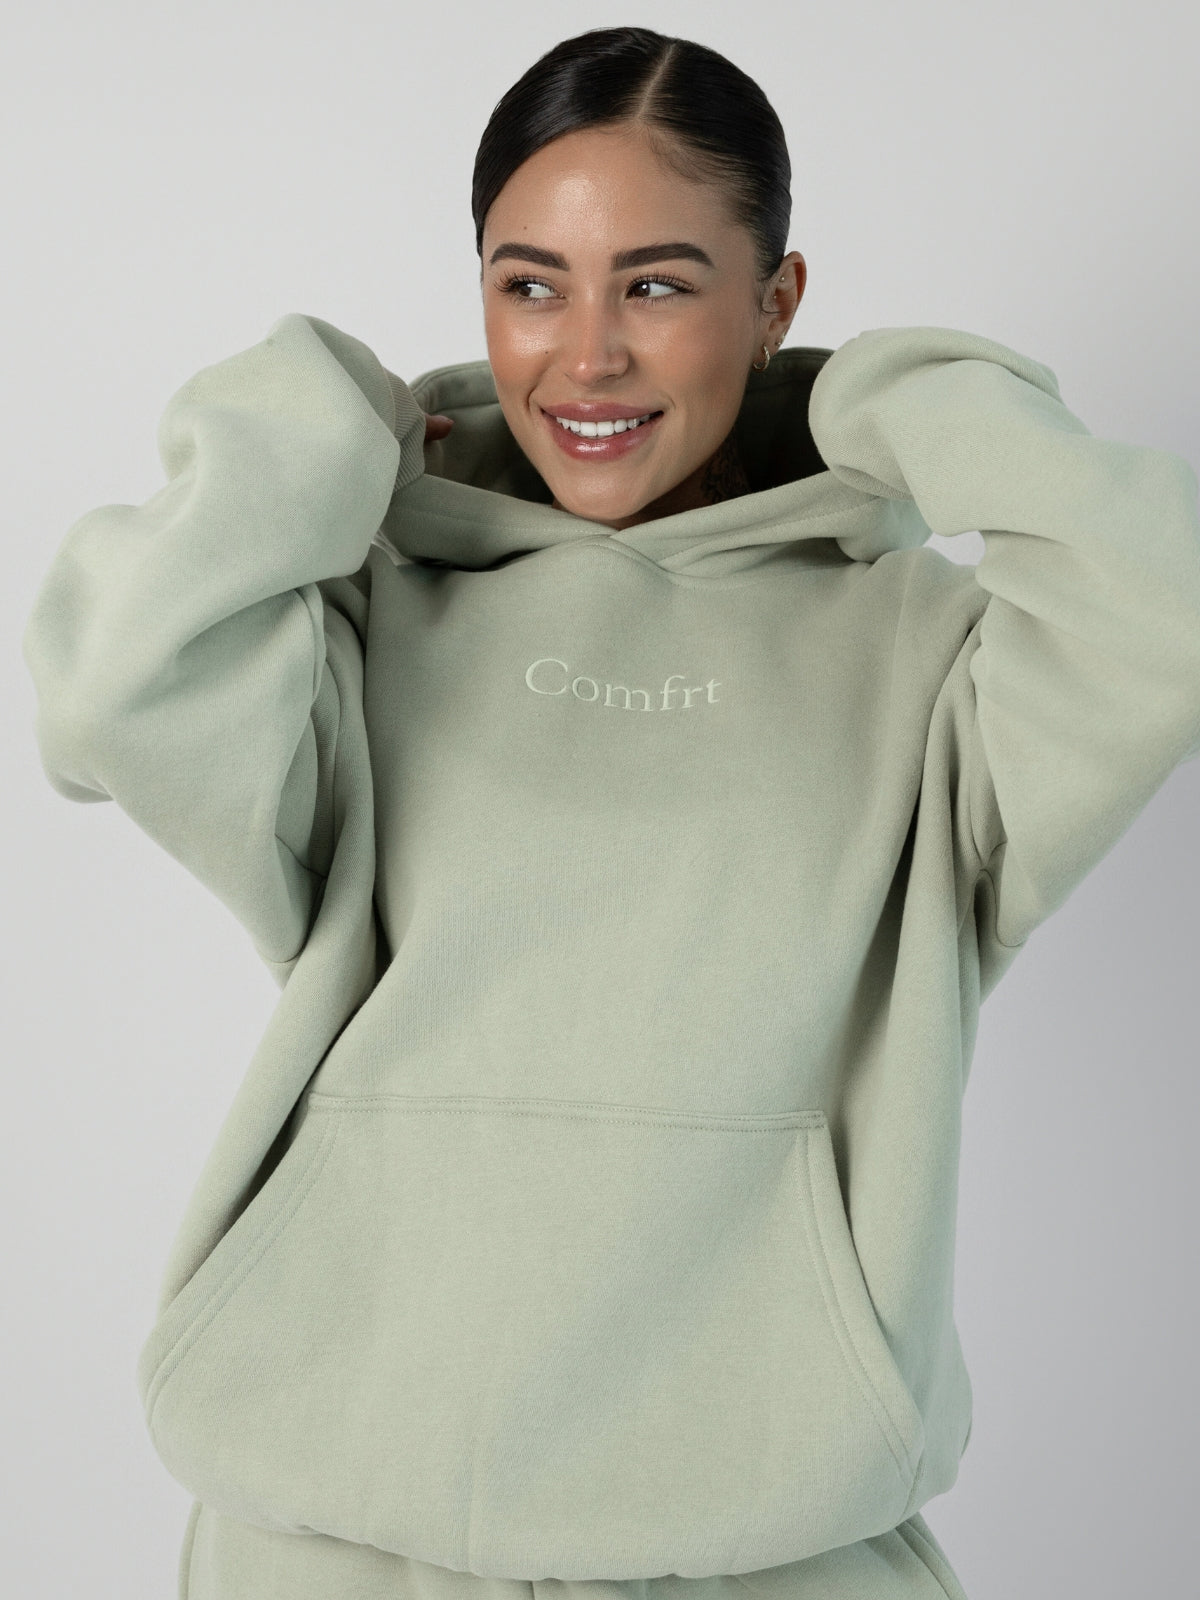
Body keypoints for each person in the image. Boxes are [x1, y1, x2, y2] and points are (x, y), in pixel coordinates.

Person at [21, 23, 1200, 1600]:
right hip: (328, 1535)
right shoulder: (366, 622)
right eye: (531, 286)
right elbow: (106, 687)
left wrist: (887, 402)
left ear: (775, 302)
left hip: (773, 1544)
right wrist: (327, 417)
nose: (585, 356)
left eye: (655, 286)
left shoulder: (936, 662)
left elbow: (1167, 602)